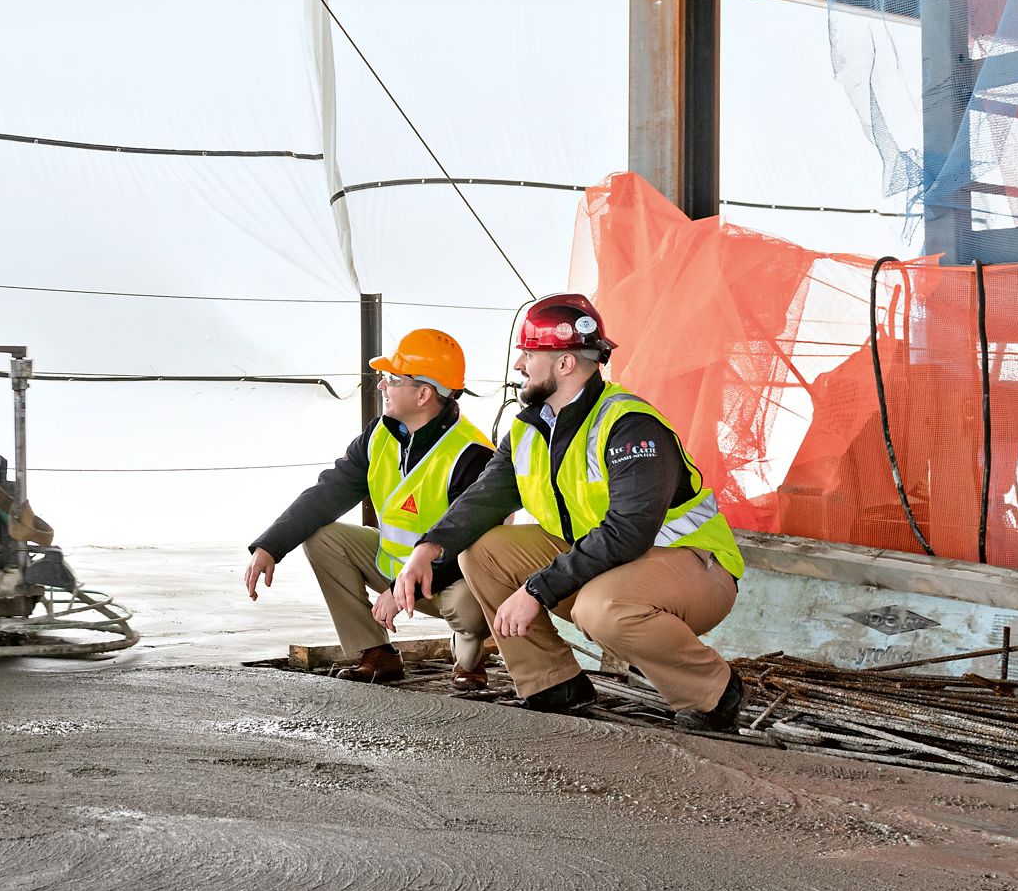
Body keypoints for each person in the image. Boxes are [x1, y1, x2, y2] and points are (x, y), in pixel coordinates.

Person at [389, 293, 747, 731]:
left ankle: (714, 692)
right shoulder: (529, 427)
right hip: (611, 562)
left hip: (693, 566)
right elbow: (483, 500)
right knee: (482, 551)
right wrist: (426, 549)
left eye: (528, 354)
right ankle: (552, 682)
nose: (519, 365)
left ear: (563, 365)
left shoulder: (629, 425)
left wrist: (536, 590)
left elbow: (627, 532)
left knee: (601, 608)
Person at [245, 329, 496, 685]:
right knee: (324, 537)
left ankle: (470, 661)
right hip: (396, 569)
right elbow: (328, 492)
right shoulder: (380, 434)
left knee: (469, 602)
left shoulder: (472, 454)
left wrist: (398, 589)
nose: (381, 386)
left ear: (424, 394)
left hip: (451, 579)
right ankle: (376, 654)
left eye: (392, 378)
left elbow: (470, 545)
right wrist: (270, 545)